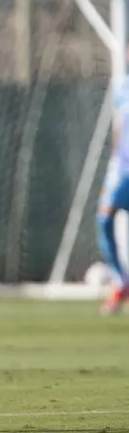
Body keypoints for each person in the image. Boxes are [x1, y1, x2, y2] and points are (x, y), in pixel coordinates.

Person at [97, 79, 129, 315]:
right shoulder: (123, 87)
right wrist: (114, 161)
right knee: (104, 220)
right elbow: (120, 126)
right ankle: (121, 282)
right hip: (122, 170)